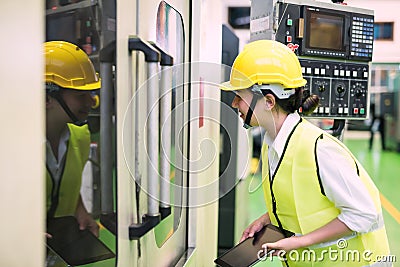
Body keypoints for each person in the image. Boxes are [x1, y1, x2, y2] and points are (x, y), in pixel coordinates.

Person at [220, 40, 390, 266]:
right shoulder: (273, 144)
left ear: (269, 101)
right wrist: (267, 219)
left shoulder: (319, 149)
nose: (234, 103)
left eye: (239, 96)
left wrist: (299, 242)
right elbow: (303, 199)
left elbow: (364, 214)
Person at [45, 41, 99, 237]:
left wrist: (81, 211)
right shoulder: (11, 145)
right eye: (80, 94)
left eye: (91, 93)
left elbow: (66, 183)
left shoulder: (80, 137)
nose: (91, 102)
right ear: (46, 98)